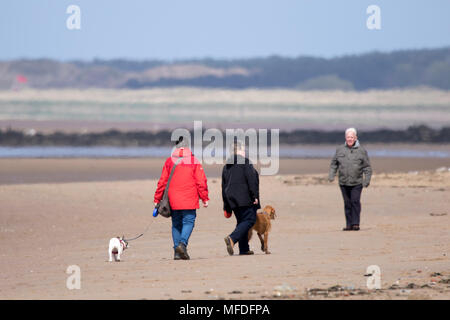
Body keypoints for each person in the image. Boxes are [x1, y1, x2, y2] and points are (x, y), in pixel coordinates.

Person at [154, 136, 209, 260]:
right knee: (189, 222)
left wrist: (157, 199)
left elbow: (162, 182)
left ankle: (177, 252)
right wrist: (205, 198)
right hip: (189, 198)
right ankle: (182, 245)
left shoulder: (169, 161)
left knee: (176, 224)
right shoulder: (194, 161)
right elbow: (201, 182)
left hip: (173, 199)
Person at [329, 128, 372, 231]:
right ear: (345, 138)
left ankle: (356, 223)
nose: (350, 139)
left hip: (357, 182)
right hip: (343, 182)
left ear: (355, 138)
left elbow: (367, 167)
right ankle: (349, 224)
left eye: (352, 137)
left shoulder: (361, 151)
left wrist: (367, 180)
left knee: (355, 201)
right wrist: (332, 175)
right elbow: (334, 164)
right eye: (348, 137)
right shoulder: (340, 150)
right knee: (347, 203)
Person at [222, 141, 260, 255]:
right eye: (243, 150)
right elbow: (251, 180)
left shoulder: (226, 166)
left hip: (231, 198)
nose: (245, 152)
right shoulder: (245, 162)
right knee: (250, 219)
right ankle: (232, 238)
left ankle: (244, 248)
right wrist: (255, 196)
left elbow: (224, 186)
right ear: (238, 151)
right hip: (244, 197)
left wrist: (226, 206)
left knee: (241, 221)